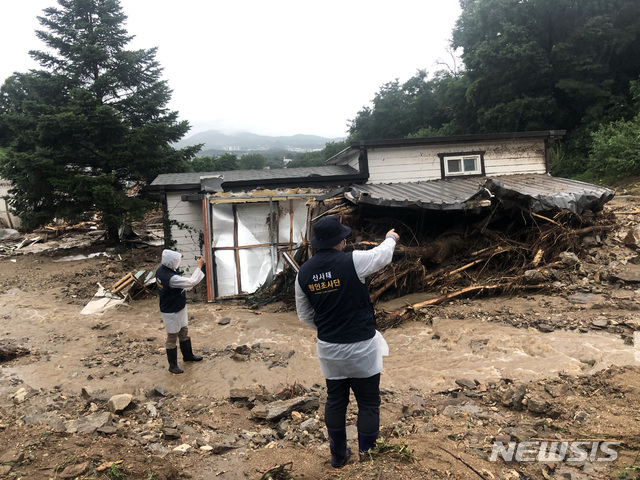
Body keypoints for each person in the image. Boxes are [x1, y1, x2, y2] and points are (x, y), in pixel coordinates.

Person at [295, 215, 399, 468]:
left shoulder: (303, 274)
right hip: (362, 346)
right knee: (368, 402)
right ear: (340, 241)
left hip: (329, 348)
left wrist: (331, 328)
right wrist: (391, 238)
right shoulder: (352, 261)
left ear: (317, 243)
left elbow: (305, 315)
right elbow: (382, 256)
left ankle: (338, 456)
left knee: (336, 400)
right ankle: (368, 454)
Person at [156, 249, 206, 375]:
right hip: (170, 310)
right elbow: (191, 282)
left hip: (179, 306)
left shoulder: (161, 271)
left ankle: (188, 356)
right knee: (172, 337)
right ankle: (172, 366)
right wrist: (199, 266)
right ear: (171, 262)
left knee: (184, 331)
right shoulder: (171, 278)